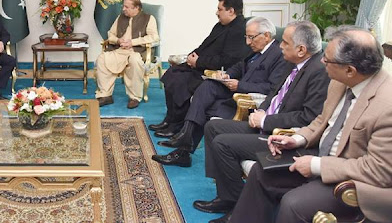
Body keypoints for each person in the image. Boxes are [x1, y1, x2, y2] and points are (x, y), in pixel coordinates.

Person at [228, 26, 392, 223]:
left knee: (294, 203)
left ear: (350, 70)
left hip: (352, 181)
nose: (322, 62)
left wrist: (317, 165)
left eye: (327, 59)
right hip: (320, 154)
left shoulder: (386, 105)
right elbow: (323, 120)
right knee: (262, 171)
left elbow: (379, 170)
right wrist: (296, 139)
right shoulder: (340, 81)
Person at [194, 21, 330, 223]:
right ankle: (227, 197)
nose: (280, 46)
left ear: (301, 49)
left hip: (280, 134)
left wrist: (266, 120)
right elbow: (274, 92)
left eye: (284, 42)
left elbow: (307, 117)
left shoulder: (319, 72)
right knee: (213, 127)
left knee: (223, 143)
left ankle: (239, 205)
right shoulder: (292, 64)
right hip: (266, 123)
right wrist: (262, 110)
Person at [152, 16, 288, 166]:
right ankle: (185, 137)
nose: (248, 42)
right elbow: (239, 66)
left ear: (267, 36)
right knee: (208, 85)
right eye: (246, 37)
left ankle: (184, 145)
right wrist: (227, 74)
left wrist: (240, 85)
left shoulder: (279, 56)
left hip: (248, 102)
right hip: (234, 92)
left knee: (205, 109)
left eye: (251, 37)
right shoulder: (256, 50)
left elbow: (272, 88)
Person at [149, 0, 250, 137]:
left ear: (231, 11)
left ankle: (178, 124)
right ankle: (170, 119)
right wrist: (190, 57)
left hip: (215, 73)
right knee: (172, 72)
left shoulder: (240, 29)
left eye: (220, 9)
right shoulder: (221, 25)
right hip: (202, 66)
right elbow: (204, 46)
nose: (217, 12)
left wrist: (198, 62)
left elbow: (228, 60)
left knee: (180, 81)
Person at [95, 0, 159, 109]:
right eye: (123, 6)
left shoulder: (149, 18)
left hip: (136, 52)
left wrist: (132, 42)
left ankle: (134, 97)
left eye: (126, 7)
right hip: (120, 50)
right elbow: (111, 34)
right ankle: (105, 95)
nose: (123, 9)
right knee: (102, 59)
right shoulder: (120, 17)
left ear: (136, 8)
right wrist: (118, 40)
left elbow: (154, 37)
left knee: (134, 61)